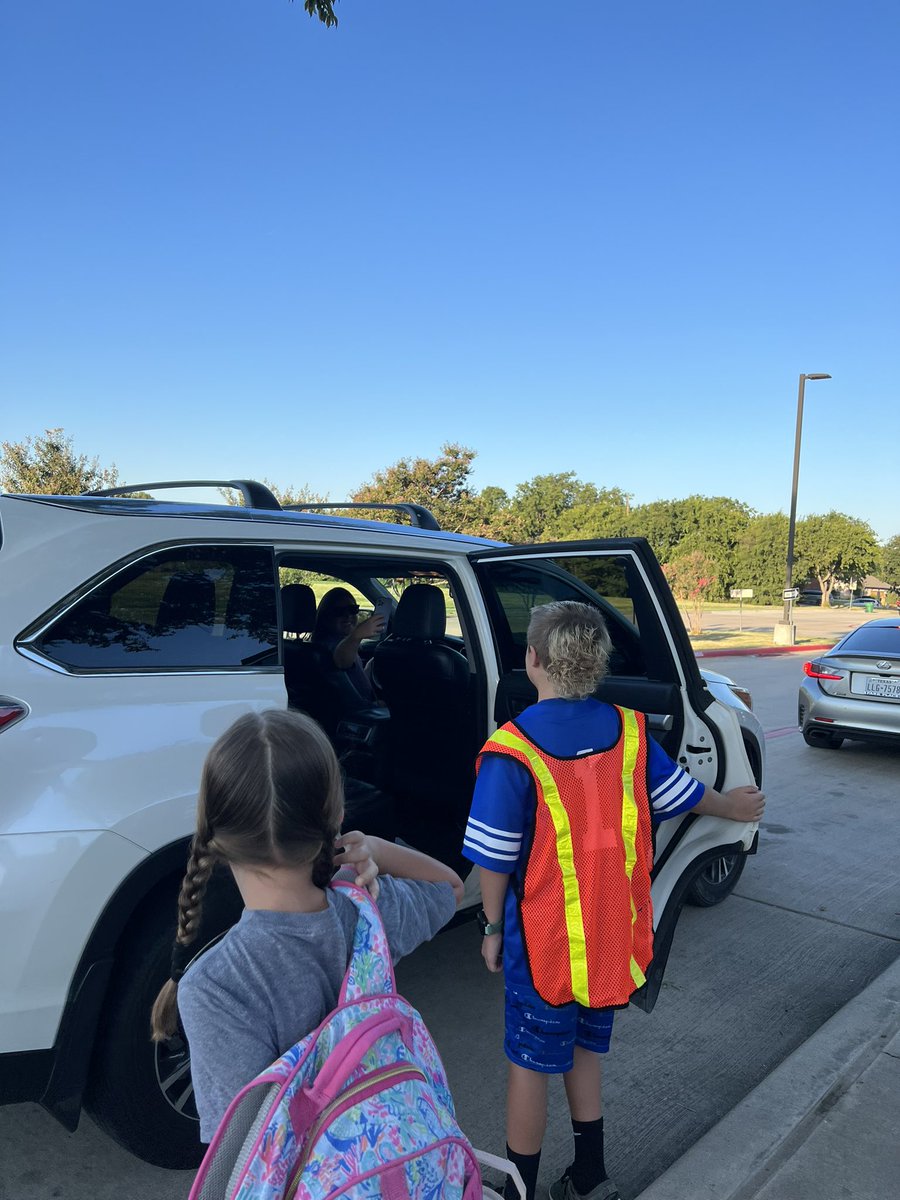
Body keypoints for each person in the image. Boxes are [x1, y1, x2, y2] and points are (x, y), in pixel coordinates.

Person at [463, 601, 766, 1200]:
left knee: (529, 1062)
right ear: (598, 664)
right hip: (610, 932)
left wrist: (490, 927)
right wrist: (733, 806)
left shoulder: (513, 748)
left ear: (532, 661)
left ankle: (517, 1189)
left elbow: (493, 860)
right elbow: (681, 794)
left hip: (545, 941)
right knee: (583, 1048)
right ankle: (591, 1176)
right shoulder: (630, 732)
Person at [150, 708, 464, 1142]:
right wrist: (371, 845)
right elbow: (450, 888)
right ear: (335, 817)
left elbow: (244, 1152)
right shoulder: (368, 905)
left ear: (214, 832)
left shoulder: (215, 986)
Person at [312, 586, 386, 706]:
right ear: (325, 616)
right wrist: (357, 635)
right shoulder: (328, 646)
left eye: (353, 609)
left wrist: (367, 668)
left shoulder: (312, 647)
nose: (347, 616)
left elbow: (350, 675)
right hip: (358, 713)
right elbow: (341, 662)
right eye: (339, 612)